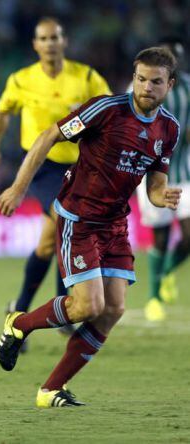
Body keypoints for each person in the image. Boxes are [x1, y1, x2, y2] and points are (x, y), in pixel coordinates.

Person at [0, 47, 181, 408]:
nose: (146, 87)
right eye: (141, 78)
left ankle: (50, 391)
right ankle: (19, 323)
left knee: (113, 310)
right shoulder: (107, 110)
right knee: (87, 306)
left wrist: (163, 198)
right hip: (78, 219)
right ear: (134, 77)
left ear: (169, 84)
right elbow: (49, 134)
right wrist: (19, 187)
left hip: (115, 224)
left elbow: (155, 184)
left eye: (156, 81)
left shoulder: (168, 129)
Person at [0, 17, 111, 340]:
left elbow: (111, 111)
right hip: (42, 166)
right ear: (35, 45)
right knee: (62, 216)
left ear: (64, 41)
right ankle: (63, 308)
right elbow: (2, 112)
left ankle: (19, 310)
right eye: (44, 38)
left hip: (81, 166)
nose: (51, 43)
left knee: (46, 243)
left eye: (55, 37)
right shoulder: (22, 79)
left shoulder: (85, 77)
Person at [135, 38, 190, 321]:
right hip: (151, 175)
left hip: (184, 173)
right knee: (161, 236)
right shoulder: (141, 90)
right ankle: (154, 298)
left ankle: (167, 271)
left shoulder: (188, 89)